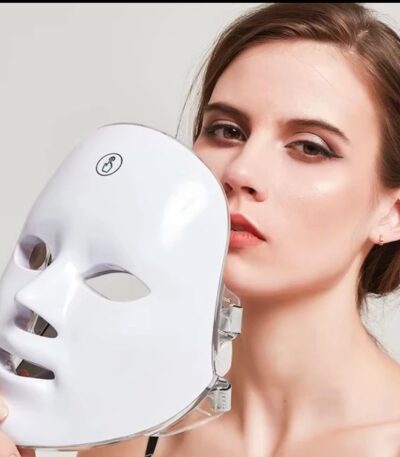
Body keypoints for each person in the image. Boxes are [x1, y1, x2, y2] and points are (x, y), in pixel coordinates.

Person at [3, 2, 400, 456]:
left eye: (310, 147)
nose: (241, 170)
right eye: (227, 131)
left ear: (393, 212)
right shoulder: (124, 441)